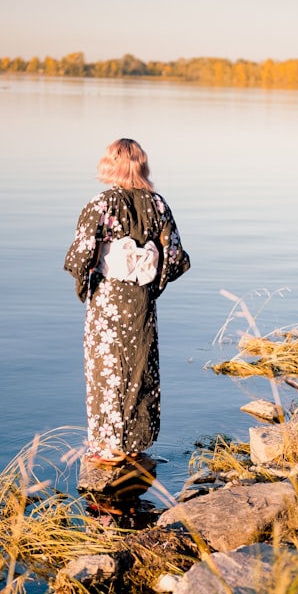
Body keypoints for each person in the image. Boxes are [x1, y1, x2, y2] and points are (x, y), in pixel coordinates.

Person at [64, 138, 190, 465]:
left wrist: (85, 284)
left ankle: (107, 447)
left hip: (108, 297)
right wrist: (152, 286)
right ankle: (135, 443)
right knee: (139, 368)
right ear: (141, 165)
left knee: (107, 369)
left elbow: (81, 256)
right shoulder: (158, 204)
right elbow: (173, 257)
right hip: (141, 298)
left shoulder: (101, 204)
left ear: (111, 164)